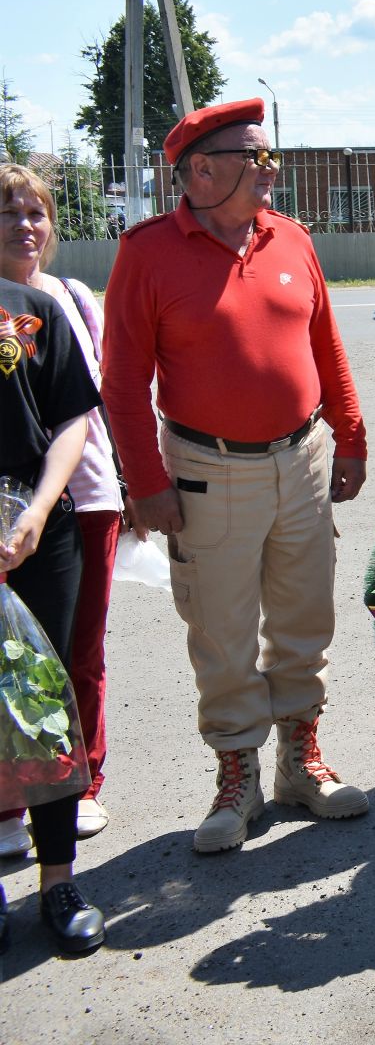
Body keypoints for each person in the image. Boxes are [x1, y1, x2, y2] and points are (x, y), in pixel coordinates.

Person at [103, 98, 370, 855]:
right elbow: (122, 385)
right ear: (201, 171)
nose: (271, 170)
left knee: (304, 619)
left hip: (303, 460)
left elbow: (327, 345)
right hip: (204, 472)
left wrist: (348, 434)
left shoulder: (291, 238)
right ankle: (236, 778)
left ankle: (300, 765)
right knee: (220, 633)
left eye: (268, 154)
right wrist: (146, 483)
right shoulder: (147, 253)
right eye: (255, 158)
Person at [0, 168, 119, 855]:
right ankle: (10, 804)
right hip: (25, 509)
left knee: (77, 654)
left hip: (82, 500)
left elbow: (96, 402)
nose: (26, 225)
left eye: (37, 212)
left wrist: (130, 486)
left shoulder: (68, 300)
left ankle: (78, 785)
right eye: (10, 212)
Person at [0, 264, 108, 953]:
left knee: (42, 699)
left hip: (38, 526)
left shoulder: (33, 309)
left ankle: (58, 881)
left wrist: (35, 511)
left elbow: (72, 418)